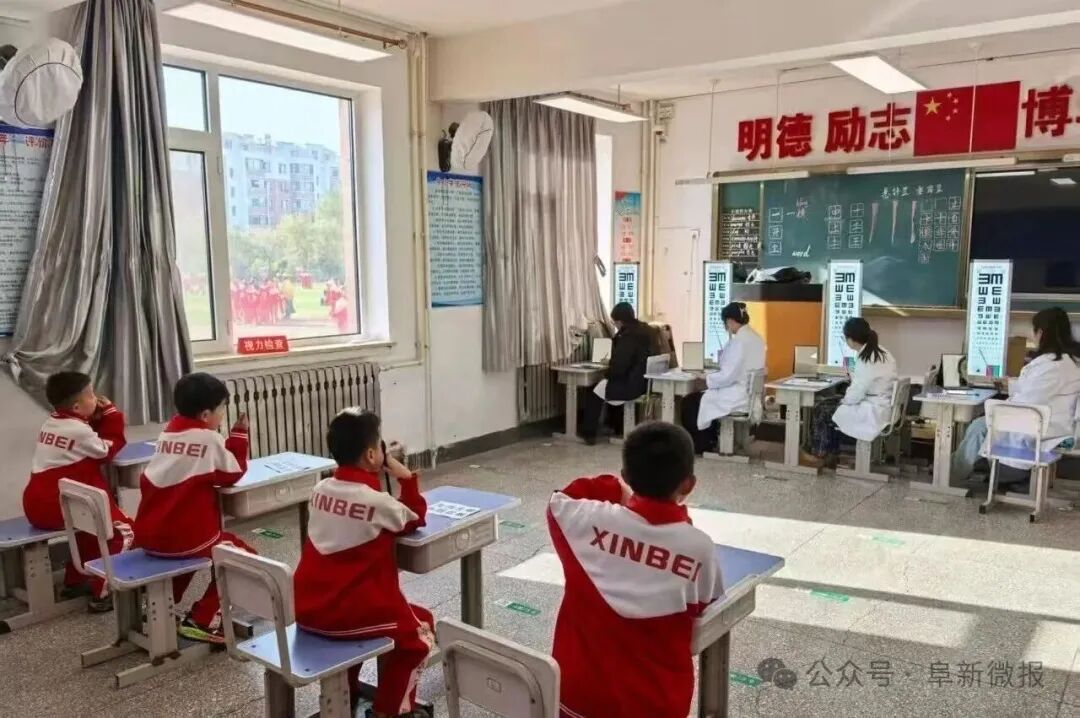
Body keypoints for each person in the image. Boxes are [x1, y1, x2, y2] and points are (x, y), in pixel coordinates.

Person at [547, 422, 723, 718]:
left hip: (577, 700)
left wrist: (616, 488)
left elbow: (561, 499)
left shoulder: (585, 522)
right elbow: (705, 608)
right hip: (657, 706)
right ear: (688, 484)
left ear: (627, 476)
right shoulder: (699, 549)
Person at [294, 410, 432, 718]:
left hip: (308, 609)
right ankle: (390, 711)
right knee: (420, 635)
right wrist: (406, 478)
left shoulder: (319, 490)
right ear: (372, 455)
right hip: (347, 614)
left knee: (363, 616)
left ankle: (348, 693)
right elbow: (415, 517)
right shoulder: (377, 502)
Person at [134, 372, 253, 644]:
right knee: (243, 557)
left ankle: (159, 610)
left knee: (184, 558)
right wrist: (239, 434)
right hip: (184, 538)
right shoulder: (208, 439)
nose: (222, 415)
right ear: (205, 414)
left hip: (149, 534)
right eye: (221, 409)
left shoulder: (167, 434)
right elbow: (232, 472)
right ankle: (204, 619)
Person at [22, 372, 132, 611]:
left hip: (37, 502)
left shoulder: (53, 423)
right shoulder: (78, 430)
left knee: (89, 530)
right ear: (76, 406)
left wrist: (95, 417)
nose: (97, 398)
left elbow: (85, 439)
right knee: (122, 532)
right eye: (91, 395)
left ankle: (77, 580)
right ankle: (105, 591)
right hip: (56, 505)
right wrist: (112, 414)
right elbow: (107, 450)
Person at [952, 307, 1080, 489]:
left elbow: (1026, 403)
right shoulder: (1070, 362)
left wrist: (998, 408)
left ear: (1040, 333)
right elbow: (1038, 391)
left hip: (1039, 429)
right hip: (1058, 426)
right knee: (983, 423)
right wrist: (1011, 384)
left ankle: (952, 478)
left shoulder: (1050, 366)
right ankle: (962, 471)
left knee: (978, 426)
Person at [804, 317, 898, 467]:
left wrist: (844, 400)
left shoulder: (866, 358)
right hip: (882, 405)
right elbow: (868, 381)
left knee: (822, 409)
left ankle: (820, 454)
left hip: (872, 410)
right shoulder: (882, 352)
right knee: (830, 405)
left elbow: (857, 392)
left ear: (851, 340)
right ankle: (831, 454)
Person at [679, 302, 766, 455]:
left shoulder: (739, 342)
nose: (726, 327)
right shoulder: (756, 338)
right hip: (749, 394)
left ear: (730, 321)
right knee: (701, 399)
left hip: (736, 395)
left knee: (690, 402)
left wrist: (705, 377)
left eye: (725, 323)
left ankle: (702, 445)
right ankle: (710, 440)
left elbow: (727, 376)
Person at [581, 302, 654, 444]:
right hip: (644, 383)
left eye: (614, 322)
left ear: (620, 321)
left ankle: (589, 434)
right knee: (606, 386)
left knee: (594, 391)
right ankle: (616, 427)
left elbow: (620, 366)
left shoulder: (628, 336)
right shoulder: (645, 330)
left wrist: (607, 373)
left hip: (630, 385)